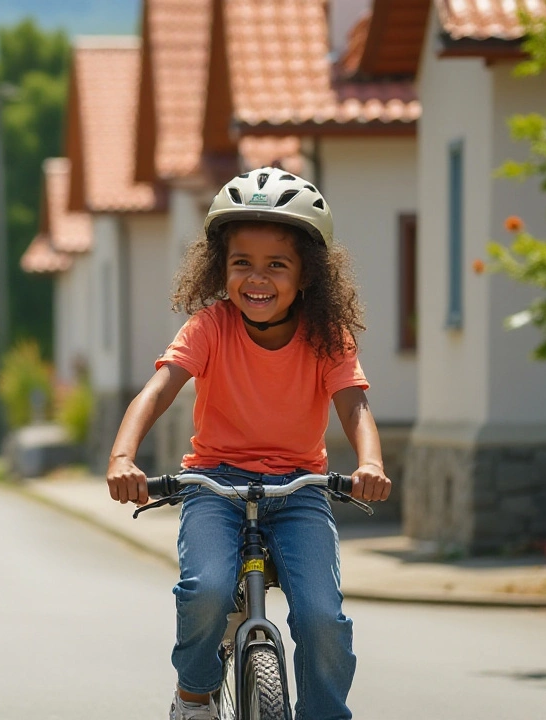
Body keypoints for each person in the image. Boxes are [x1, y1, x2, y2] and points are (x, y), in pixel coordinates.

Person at [105, 168, 391, 720]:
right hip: (215, 482)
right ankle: (194, 694)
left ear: (308, 275)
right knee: (204, 590)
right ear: (220, 268)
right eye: (242, 263)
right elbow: (158, 389)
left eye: (276, 265)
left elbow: (354, 405)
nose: (257, 278)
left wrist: (370, 463)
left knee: (321, 617)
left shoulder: (327, 335)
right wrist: (123, 457)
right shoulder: (210, 327)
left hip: (300, 490)